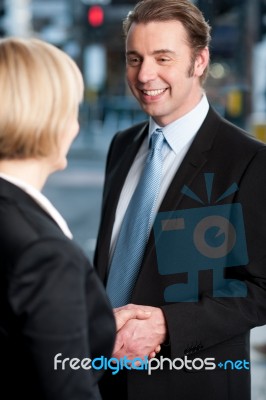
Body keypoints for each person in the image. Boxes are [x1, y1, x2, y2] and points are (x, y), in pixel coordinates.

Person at [94, 1, 266, 399]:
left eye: (162, 58)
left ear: (200, 61)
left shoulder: (248, 161)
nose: (144, 74)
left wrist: (167, 324)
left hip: (190, 384)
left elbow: (261, 288)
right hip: (102, 379)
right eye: (134, 58)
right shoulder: (122, 147)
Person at [0, 37, 150, 400]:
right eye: (72, 110)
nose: (76, 127)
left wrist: (82, 321)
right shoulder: (45, 253)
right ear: (46, 118)